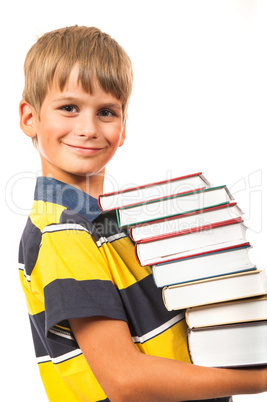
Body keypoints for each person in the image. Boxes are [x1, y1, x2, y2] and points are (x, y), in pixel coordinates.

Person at [18, 25, 267, 402]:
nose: (87, 128)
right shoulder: (62, 230)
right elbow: (125, 381)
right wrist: (258, 379)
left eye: (106, 112)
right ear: (29, 118)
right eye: (69, 108)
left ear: (122, 127)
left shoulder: (103, 222)